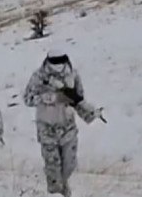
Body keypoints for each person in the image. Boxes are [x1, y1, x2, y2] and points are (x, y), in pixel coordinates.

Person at [23, 48, 102, 197]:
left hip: (68, 129)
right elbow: (28, 98)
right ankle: (56, 194)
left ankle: (64, 191)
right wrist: (50, 98)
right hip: (47, 129)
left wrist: (90, 114)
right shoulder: (39, 76)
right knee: (53, 169)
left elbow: (77, 100)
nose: (58, 65)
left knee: (69, 167)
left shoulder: (73, 75)